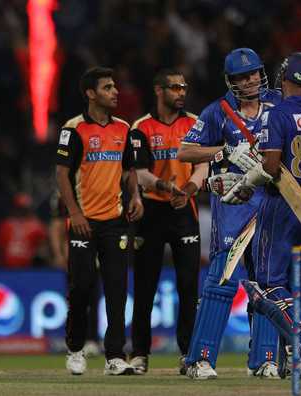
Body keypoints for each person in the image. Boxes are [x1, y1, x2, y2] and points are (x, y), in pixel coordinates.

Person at [222, 44, 301, 377]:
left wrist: (246, 183)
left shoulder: (277, 114)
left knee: (265, 284)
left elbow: (272, 166)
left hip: (283, 203)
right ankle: (300, 351)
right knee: (300, 284)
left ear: (285, 78)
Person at [177, 48, 282, 379]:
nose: (250, 80)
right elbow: (185, 150)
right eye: (243, 76)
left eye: (254, 73)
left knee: (267, 285)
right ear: (231, 81)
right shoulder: (218, 112)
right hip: (234, 207)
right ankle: (200, 359)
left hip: (269, 206)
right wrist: (223, 150)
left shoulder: (278, 105)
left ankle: (264, 359)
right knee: (221, 284)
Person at [56, 66, 144, 376]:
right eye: (107, 87)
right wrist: (75, 213)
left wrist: (135, 198)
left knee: (118, 289)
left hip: (115, 222)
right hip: (84, 223)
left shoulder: (123, 128)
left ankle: (115, 356)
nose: (115, 92)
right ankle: (76, 348)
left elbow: (129, 170)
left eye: (114, 86)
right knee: (81, 287)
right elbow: (62, 174)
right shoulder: (74, 129)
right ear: (91, 94)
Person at [128, 68, 202, 375]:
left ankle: (188, 354)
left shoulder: (196, 123)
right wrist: (164, 187)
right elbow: (139, 173)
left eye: (184, 87)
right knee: (145, 287)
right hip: (152, 211)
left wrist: (187, 190)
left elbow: (203, 166)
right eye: (174, 88)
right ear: (159, 91)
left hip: (185, 210)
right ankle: (140, 354)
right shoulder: (141, 127)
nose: (181, 92)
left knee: (188, 286)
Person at [49, 189, 101, 357]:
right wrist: (59, 254)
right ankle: (75, 343)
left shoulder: (97, 187)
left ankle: (92, 340)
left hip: (95, 254)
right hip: (73, 255)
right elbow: (57, 227)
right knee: (77, 298)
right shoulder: (61, 195)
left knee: (93, 299)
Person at [0, 193, 47, 268]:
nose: (22, 211)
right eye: (20, 208)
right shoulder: (6, 224)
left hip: (29, 267)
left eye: (24, 209)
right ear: (14, 208)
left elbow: (43, 248)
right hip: (6, 267)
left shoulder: (36, 225)